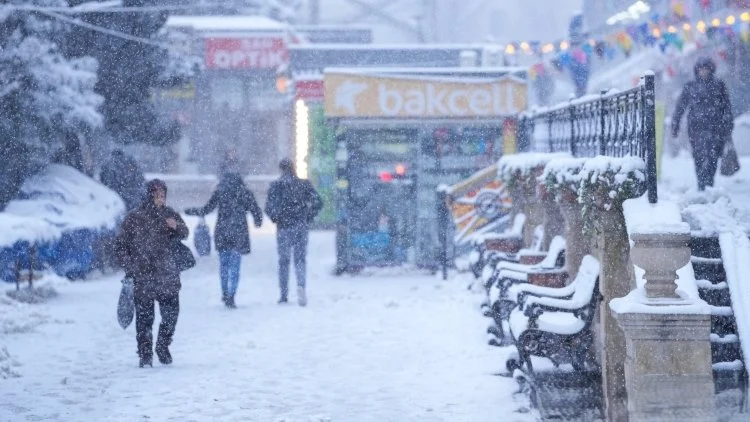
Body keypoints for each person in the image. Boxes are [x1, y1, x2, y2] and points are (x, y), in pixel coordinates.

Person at [114, 179, 189, 367]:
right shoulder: (134, 217)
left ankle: (163, 345)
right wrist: (130, 267)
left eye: (163, 194)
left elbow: (185, 232)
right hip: (143, 275)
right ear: (149, 195)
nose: (160, 198)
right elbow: (121, 246)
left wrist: (176, 227)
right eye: (157, 194)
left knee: (171, 314)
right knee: (145, 319)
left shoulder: (170, 214)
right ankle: (145, 354)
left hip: (167, 274)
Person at [185, 173, 263, 308]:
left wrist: (191, 211)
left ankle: (225, 292)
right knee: (235, 266)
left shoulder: (221, 192)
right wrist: (258, 221)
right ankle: (232, 294)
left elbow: (207, 209)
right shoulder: (244, 192)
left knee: (224, 265)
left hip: (223, 231)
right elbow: (255, 209)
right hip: (239, 231)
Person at [265, 158, 322, 306]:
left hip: (283, 227)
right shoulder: (304, 185)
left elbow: (268, 207)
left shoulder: (276, 186)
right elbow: (318, 202)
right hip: (300, 226)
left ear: (281, 169)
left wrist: (276, 217)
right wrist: (308, 216)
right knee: (300, 259)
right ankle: (301, 285)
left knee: (283, 261)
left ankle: (283, 294)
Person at [672, 57, 734, 191]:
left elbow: (726, 107)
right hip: (696, 129)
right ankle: (701, 183)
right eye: (701, 69)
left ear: (711, 69)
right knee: (699, 156)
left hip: (716, 129)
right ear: (697, 70)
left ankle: (709, 182)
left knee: (713, 156)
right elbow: (680, 107)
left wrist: (728, 125)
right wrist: (675, 125)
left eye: (706, 68)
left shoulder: (719, 85)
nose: (703, 71)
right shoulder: (690, 87)